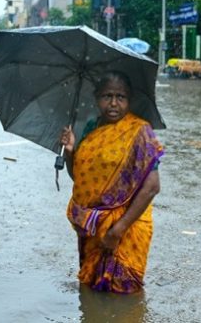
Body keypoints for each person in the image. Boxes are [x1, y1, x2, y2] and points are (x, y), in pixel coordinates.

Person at [59, 71, 164, 294]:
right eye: (107, 96)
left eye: (120, 97)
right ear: (97, 98)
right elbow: (81, 180)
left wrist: (118, 230)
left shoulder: (140, 132)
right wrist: (70, 153)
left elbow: (152, 186)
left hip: (128, 225)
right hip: (94, 226)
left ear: (129, 100)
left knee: (124, 293)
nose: (114, 103)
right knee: (91, 289)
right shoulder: (91, 129)